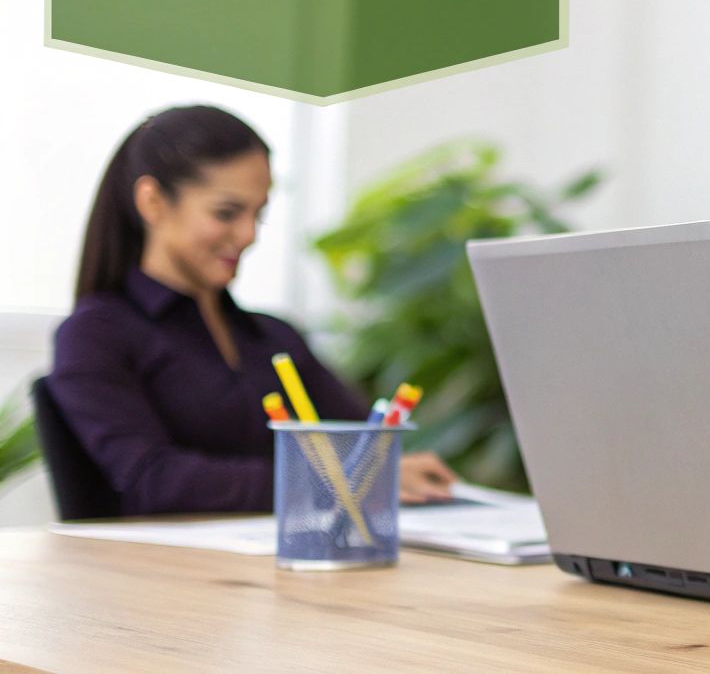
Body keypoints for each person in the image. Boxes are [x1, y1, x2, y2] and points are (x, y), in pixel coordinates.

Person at [48, 105, 458, 515]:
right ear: (153, 202)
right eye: (226, 213)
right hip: (166, 570)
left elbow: (359, 442)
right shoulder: (97, 335)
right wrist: (342, 480)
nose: (248, 235)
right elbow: (154, 480)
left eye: (257, 214)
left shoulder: (274, 337)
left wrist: (388, 470)